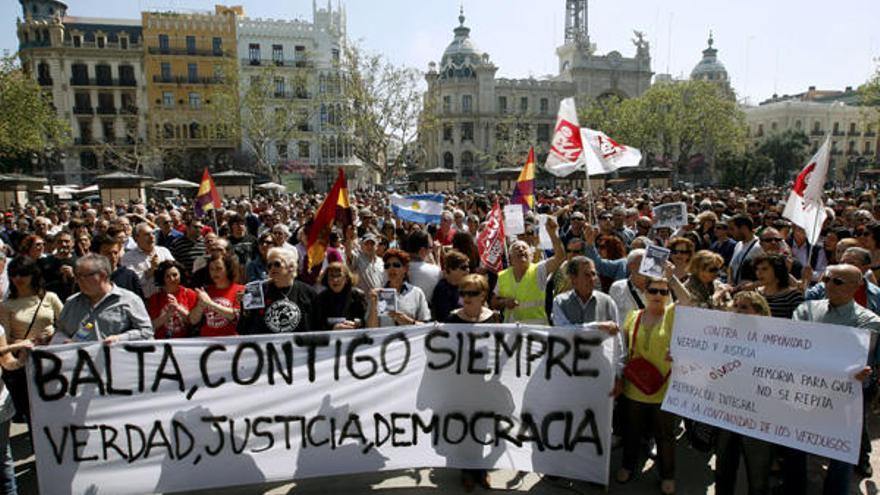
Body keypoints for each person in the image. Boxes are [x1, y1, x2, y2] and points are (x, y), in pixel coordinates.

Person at [790, 264, 880, 494]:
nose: (829, 285)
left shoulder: (868, 320)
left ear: (856, 287)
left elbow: (857, 355)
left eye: (837, 282)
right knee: (794, 442)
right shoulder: (806, 309)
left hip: (843, 393)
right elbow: (794, 342)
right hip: (804, 387)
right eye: (827, 279)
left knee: (840, 450)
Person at [616, 276, 677, 495]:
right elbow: (623, 348)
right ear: (645, 293)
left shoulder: (671, 315)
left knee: (665, 435)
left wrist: (673, 278)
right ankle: (628, 466)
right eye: (653, 291)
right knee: (632, 431)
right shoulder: (633, 316)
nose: (658, 296)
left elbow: (689, 301)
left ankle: (667, 474)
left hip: (664, 388)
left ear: (669, 296)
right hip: (635, 387)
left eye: (663, 292)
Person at [713, 291, 774, 495]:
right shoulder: (719, 334)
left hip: (759, 415)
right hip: (727, 411)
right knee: (723, 468)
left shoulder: (775, 340)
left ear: (760, 312)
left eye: (744, 307)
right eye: (736, 306)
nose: (738, 311)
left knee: (757, 475)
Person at [443, 273, 500, 491]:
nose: (467, 297)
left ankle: (480, 469)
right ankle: (466, 470)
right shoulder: (452, 319)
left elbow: (501, 350)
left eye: (472, 293)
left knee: (482, 426)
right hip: (460, 383)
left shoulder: (494, 318)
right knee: (465, 427)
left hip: (485, 383)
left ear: (483, 295)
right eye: (463, 292)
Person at [0, 256, 63, 420]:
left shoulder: (50, 297)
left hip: (51, 357)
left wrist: (52, 336)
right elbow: (4, 338)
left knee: (54, 404)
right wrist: (20, 343)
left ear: (33, 275)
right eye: (13, 274)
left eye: (23, 274)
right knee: (31, 409)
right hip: (24, 360)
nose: (18, 279)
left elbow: (66, 325)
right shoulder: (6, 305)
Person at [56, 254, 153, 343]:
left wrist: (120, 339)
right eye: (77, 276)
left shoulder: (129, 300)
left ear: (103, 275)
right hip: (82, 360)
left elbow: (146, 331)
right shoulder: (71, 302)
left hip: (117, 359)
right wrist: (64, 341)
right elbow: (60, 331)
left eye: (84, 276)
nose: (78, 281)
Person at [492, 216, 564, 324]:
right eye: (517, 248)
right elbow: (493, 303)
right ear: (510, 258)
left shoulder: (539, 270)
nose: (521, 249)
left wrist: (553, 233)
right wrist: (504, 302)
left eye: (524, 248)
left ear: (531, 256)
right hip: (512, 332)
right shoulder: (502, 276)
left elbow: (560, 257)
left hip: (536, 332)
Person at [238, 247, 318, 334]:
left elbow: (318, 327)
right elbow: (244, 329)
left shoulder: (308, 293)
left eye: (277, 264)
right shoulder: (256, 291)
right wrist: (245, 308)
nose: (272, 268)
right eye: (269, 266)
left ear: (290, 266)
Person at [0, 324, 31, 495]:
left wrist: (20, 360)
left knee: (3, 459)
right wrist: (14, 346)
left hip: (0, 407)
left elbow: (7, 363)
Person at [367, 249, 431, 328]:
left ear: (405, 269)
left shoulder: (417, 293)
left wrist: (406, 320)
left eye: (396, 265)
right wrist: (374, 304)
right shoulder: (378, 294)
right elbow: (371, 329)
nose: (391, 268)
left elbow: (426, 327)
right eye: (387, 266)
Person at [188, 253, 244, 337]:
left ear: (228, 269)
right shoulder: (205, 291)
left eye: (219, 268)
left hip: (231, 340)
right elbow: (192, 320)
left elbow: (236, 316)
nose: (214, 272)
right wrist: (200, 306)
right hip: (207, 340)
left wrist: (210, 303)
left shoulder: (240, 290)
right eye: (211, 269)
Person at [120, 222, 175, 298]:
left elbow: (175, 272)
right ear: (136, 237)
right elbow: (132, 281)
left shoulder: (164, 251)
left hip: (167, 298)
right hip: (145, 301)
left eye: (153, 234)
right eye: (147, 234)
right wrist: (151, 270)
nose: (152, 237)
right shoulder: (128, 257)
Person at [148, 260, 197, 339]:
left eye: (175, 275)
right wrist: (167, 315)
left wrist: (178, 307)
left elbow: (193, 322)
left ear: (180, 275)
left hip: (186, 342)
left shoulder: (190, 294)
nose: (172, 279)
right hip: (162, 342)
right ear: (162, 278)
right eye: (167, 276)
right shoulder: (155, 298)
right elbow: (152, 325)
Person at [314, 262, 367, 330]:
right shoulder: (321, 298)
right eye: (331, 276)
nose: (335, 280)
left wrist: (356, 324)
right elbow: (316, 325)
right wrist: (333, 328)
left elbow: (365, 321)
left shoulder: (358, 296)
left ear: (346, 279)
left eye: (339, 275)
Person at [93, 234, 144, 299]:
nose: (113, 257)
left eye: (115, 253)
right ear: (97, 255)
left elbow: (139, 302)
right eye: (108, 253)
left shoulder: (129, 276)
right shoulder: (89, 277)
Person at [753, 254, 804, 319]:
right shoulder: (756, 294)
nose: (759, 272)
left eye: (764, 269)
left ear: (777, 271)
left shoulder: (793, 296)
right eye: (757, 269)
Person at [608, 249, 649, 327]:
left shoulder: (659, 290)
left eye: (647, 263)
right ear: (630, 266)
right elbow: (610, 315)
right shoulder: (617, 288)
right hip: (625, 337)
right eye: (642, 263)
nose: (645, 266)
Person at [430, 250, 471, 322]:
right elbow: (443, 317)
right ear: (451, 269)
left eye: (468, 267)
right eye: (463, 268)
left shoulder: (467, 286)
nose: (467, 270)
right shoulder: (442, 289)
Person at [405, 230, 442, 301]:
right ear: (422, 250)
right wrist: (437, 256)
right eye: (431, 247)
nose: (432, 250)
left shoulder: (395, 267)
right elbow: (438, 274)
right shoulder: (434, 270)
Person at [728, 214, 761, 287]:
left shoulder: (759, 247)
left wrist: (750, 286)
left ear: (743, 228)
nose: (730, 232)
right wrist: (730, 282)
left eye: (732, 229)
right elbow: (731, 267)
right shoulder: (738, 245)